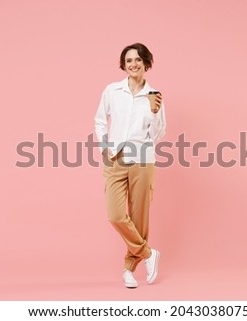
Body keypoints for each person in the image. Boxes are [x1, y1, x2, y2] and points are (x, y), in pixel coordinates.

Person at [94, 43, 166, 288]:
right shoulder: (112, 91)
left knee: (139, 218)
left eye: (137, 60)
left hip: (143, 160)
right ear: (123, 65)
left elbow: (157, 134)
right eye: (128, 60)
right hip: (115, 158)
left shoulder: (154, 96)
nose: (133, 64)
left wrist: (155, 113)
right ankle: (148, 254)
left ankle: (128, 269)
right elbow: (100, 121)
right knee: (115, 215)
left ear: (146, 63)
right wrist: (104, 147)